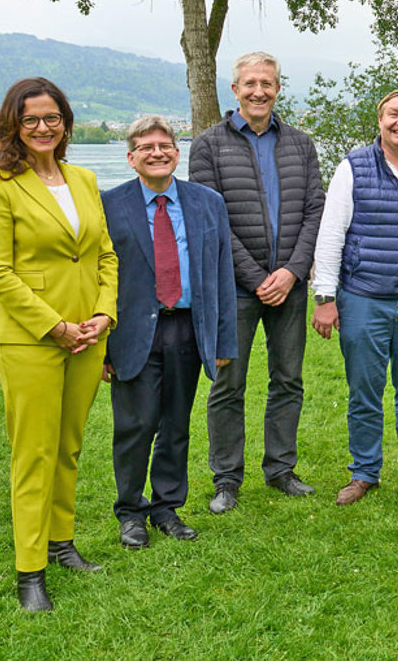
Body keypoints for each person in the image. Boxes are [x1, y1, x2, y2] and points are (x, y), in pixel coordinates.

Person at [0, 78, 117, 612]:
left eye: (51, 118)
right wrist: (55, 326)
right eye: (30, 119)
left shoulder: (82, 178)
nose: (42, 128)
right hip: (31, 338)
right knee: (33, 453)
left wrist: (104, 314)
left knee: (68, 446)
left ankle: (61, 543)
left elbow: (104, 255)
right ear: (13, 124)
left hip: (89, 334)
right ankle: (30, 571)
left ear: (65, 122)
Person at [189, 51, 325, 513]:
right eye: (250, 83)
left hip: (290, 284)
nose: (259, 91)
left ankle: (281, 469)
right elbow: (211, 221)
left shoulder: (300, 144)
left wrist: (291, 272)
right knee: (229, 384)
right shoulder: (208, 145)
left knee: (288, 380)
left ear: (278, 89)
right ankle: (226, 478)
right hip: (234, 288)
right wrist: (257, 276)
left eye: (267, 83)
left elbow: (314, 212)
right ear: (235, 90)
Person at [311, 87, 398, 503]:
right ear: (380, 119)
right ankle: (364, 471)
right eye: (394, 114)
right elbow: (331, 233)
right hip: (363, 299)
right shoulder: (352, 167)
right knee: (365, 392)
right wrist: (325, 296)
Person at [101, 117, 236, 550]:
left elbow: (222, 275)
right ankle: (130, 511)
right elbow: (94, 277)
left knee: (176, 424)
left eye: (166, 145)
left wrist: (223, 340)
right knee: (136, 424)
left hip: (187, 328)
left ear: (178, 152)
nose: (157, 152)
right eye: (146, 147)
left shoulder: (207, 203)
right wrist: (101, 345)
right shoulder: (109, 205)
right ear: (131, 157)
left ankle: (166, 506)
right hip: (132, 329)